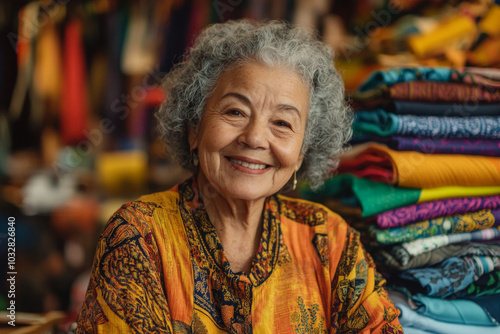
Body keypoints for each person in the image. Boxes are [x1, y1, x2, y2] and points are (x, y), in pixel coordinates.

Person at [76, 20, 403, 333]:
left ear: (302, 152)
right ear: (194, 128)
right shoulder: (139, 236)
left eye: (283, 123)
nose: (255, 138)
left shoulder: (329, 240)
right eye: (235, 112)